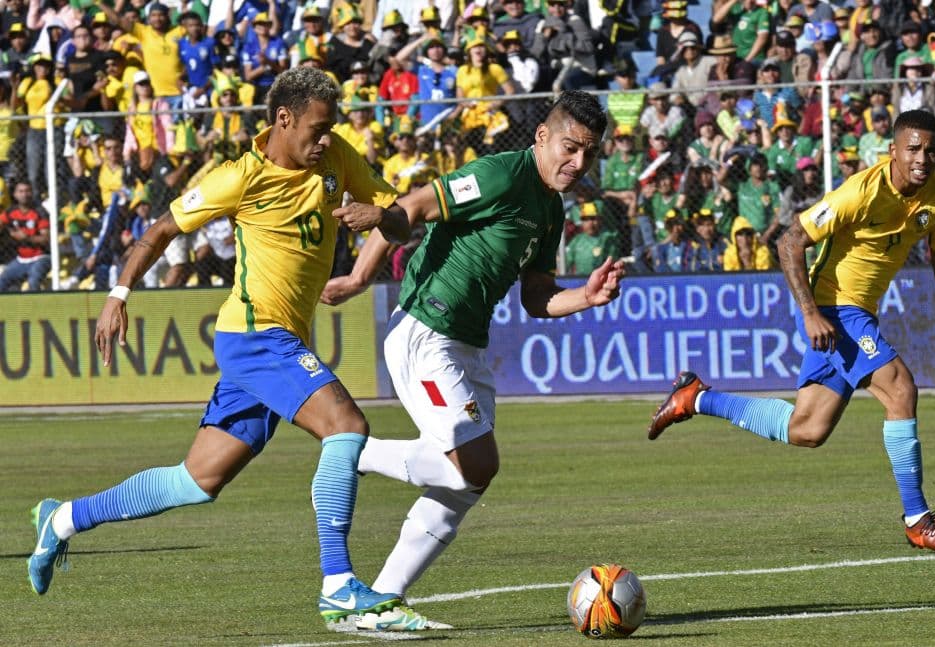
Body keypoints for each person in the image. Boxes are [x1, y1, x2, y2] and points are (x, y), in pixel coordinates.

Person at [26, 68, 418, 634]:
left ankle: (62, 519)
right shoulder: (238, 177)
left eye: (331, 128)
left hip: (278, 343)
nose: (326, 139)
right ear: (283, 119)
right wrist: (118, 295)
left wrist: (380, 217)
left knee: (197, 481)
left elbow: (402, 221)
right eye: (317, 128)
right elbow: (160, 230)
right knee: (346, 426)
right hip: (256, 337)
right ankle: (338, 585)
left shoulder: (337, 156)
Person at [320, 90, 624, 627]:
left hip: (467, 345)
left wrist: (586, 296)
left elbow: (536, 297)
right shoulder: (500, 175)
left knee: (468, 483)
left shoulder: (550, 209)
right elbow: (415, 207)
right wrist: (362, 271)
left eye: (589, 153)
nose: (578, 163)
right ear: (542, 137)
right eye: (570, 147)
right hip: (426, 333)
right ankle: (352, 453)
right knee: (476, 464)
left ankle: (382, 600)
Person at [647, 109, 935, 553]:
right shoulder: (859, 192)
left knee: (807, 428)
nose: (923, 158)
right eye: (913, 149)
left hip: (857, 313)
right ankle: (918, 520)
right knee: (900, 388)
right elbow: (789, 242)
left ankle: (695, 397)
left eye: (932, 151)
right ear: (893, 150)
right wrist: (810, 313)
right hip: (836, 308)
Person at [0, 180, 50, 291]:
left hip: (41, 258)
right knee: (2, 281)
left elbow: (46, 239)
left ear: (32, 193)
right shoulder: (10, 211)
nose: (24, 194)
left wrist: (26, 238)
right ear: (15, 194)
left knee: (33, 281)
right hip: (21, 259)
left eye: (27, 191)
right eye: (21, 191)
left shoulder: (40, 212)